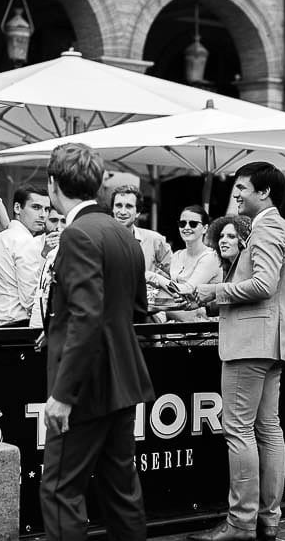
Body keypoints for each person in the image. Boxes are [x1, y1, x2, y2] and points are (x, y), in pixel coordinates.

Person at [39, 143, 154, 541]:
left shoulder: (77, 235)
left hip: (85, 387)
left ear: (54, 185)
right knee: (121, 491)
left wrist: (64, 394)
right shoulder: (123, 235)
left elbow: (87, 317)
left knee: (59, 491)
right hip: (121, 380)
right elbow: (137, 309)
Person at [191, 162, 285, 541]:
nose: (235, 195)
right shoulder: (280, 226)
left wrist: (212, 292)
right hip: (272, 341)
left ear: (264, 192)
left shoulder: (267, 227)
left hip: (251, 342)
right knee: (268, 429)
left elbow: (263, 284)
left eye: (241, 188)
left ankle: (241, 522)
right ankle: (267, 520)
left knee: (240, 431)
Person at [0, 186, 51, 328]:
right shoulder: (25, 241)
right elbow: (30, 299)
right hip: (14, 327)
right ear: (17, 208)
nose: (43, 215)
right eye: (36, 207)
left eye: (46, 209)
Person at [158, 205, 221, 322]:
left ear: (205, 228)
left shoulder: (211, 256)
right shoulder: (177, 255)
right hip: (179, 321)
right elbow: (173, 291)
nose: (186, 227)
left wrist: (155, 278)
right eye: (182, 224)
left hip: (204, 326)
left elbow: (187, 290)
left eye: (193, 224)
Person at [111, 184, 172, 283]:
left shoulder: (154, 240)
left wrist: (157, 278)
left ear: (138, 212)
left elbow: (175, 275)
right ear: (113, 209)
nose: (122, 212)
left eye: (129, 206)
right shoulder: (100, 241)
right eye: (118, 205)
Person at [29, 208, 66, 329]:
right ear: (45, 220)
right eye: (53, 220)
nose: (58, 226)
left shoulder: (75, 246)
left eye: (63, 221)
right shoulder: (32, 244)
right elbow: (31, 286)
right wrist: (44, 254)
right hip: (34, 314)